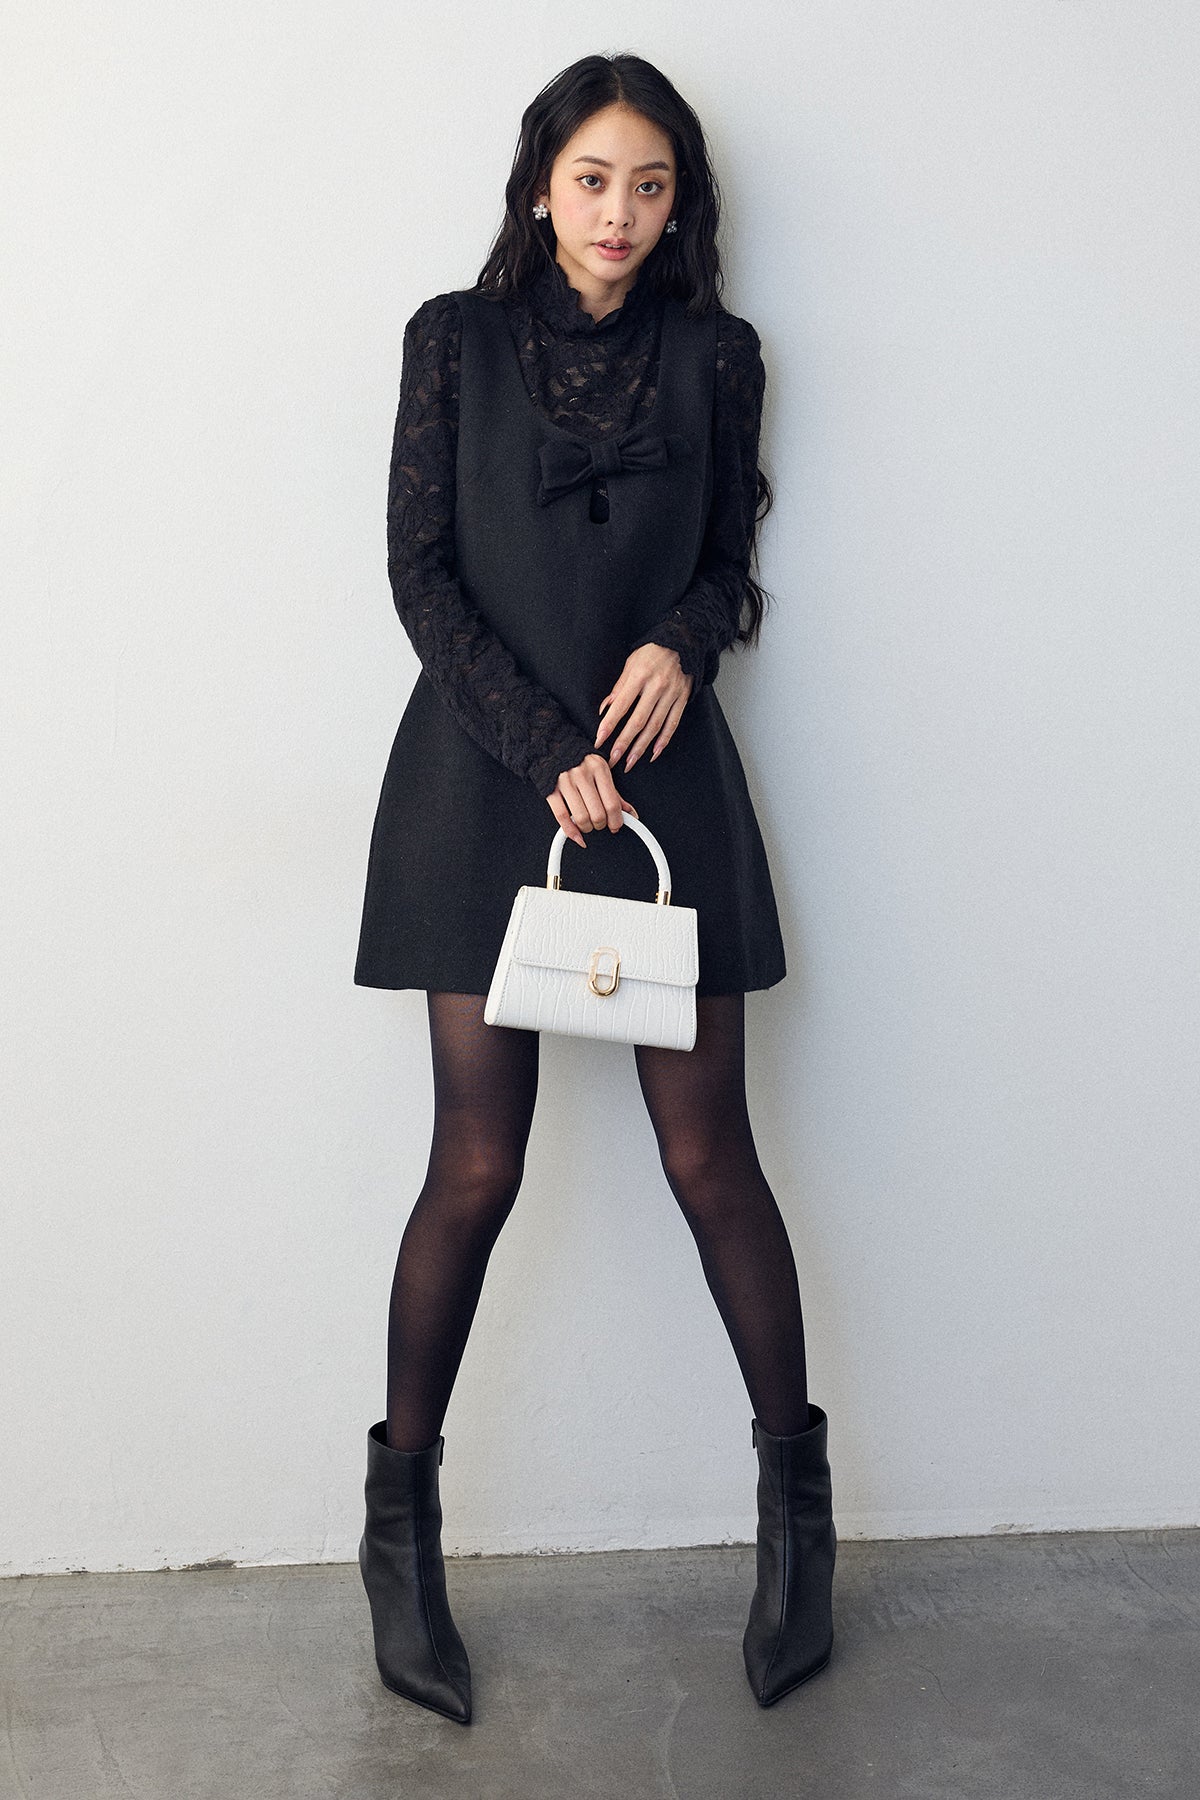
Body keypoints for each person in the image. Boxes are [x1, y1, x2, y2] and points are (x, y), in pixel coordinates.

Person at [353, 52, 835, 1725]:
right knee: (475, 1165)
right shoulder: (453, 341)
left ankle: (797, 1526)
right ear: (540, 185)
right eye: (591, 179)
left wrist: (682, 644)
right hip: (484, 782)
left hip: (662, 781)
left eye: (650, 184)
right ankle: (400, 1542)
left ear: (679, 200)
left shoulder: (719, 356)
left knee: (712, 1157)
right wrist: (545, 741)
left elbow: (726, 563)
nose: (618, 212)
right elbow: (419, 572)